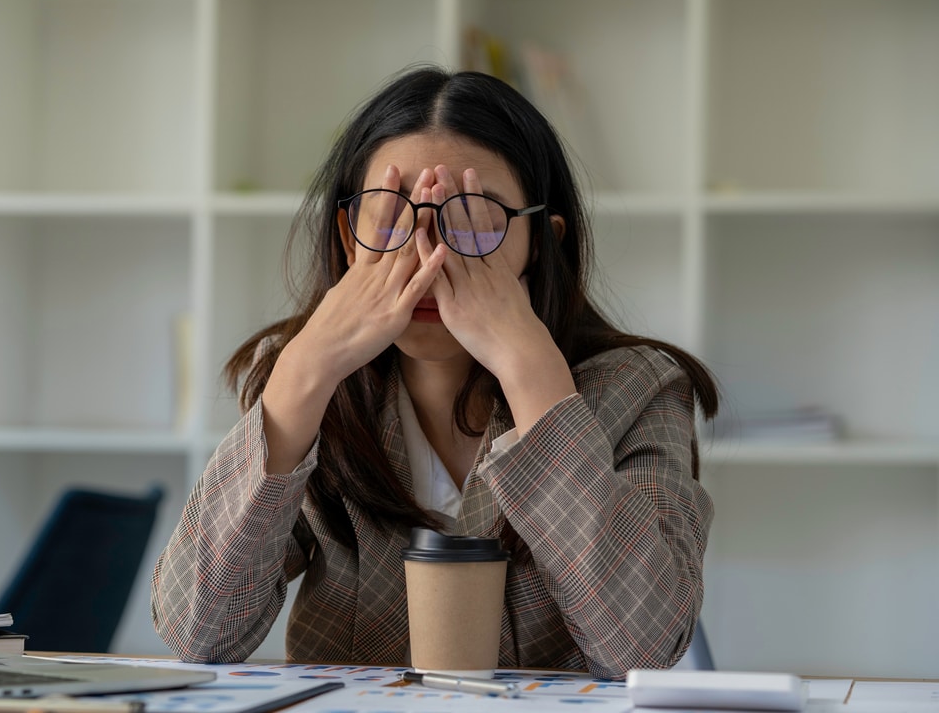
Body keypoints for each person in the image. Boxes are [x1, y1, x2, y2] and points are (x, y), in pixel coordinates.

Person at [151, 66, 718, 680]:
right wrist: (304, 372)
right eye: (391, 214)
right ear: (348, 237)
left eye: (472, 218)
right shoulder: (305, 383)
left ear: (542, 243)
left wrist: (535, 377)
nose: (427, 253)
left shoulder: (640, 388)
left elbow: (645, 648)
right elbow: (195, 633)